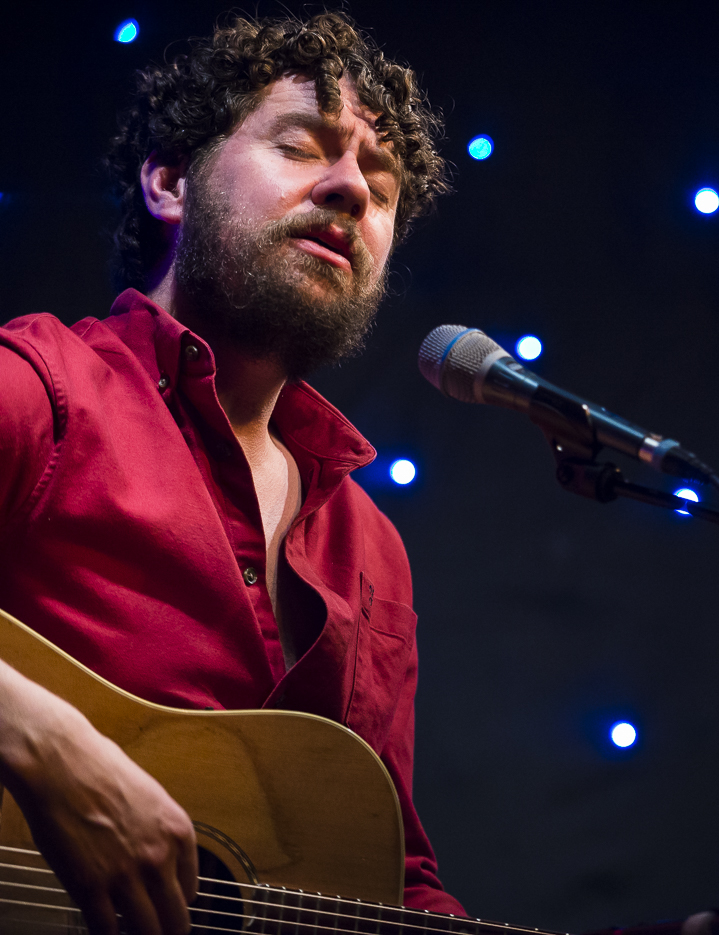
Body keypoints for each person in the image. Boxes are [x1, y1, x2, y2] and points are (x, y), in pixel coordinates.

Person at [0, 12, 462, 933]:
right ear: (171, 183)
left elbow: (392, 876)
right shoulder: (42, 390)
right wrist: (43, 741)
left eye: (381, 186)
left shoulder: (374, 549)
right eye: (301, 147)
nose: (350, 190)